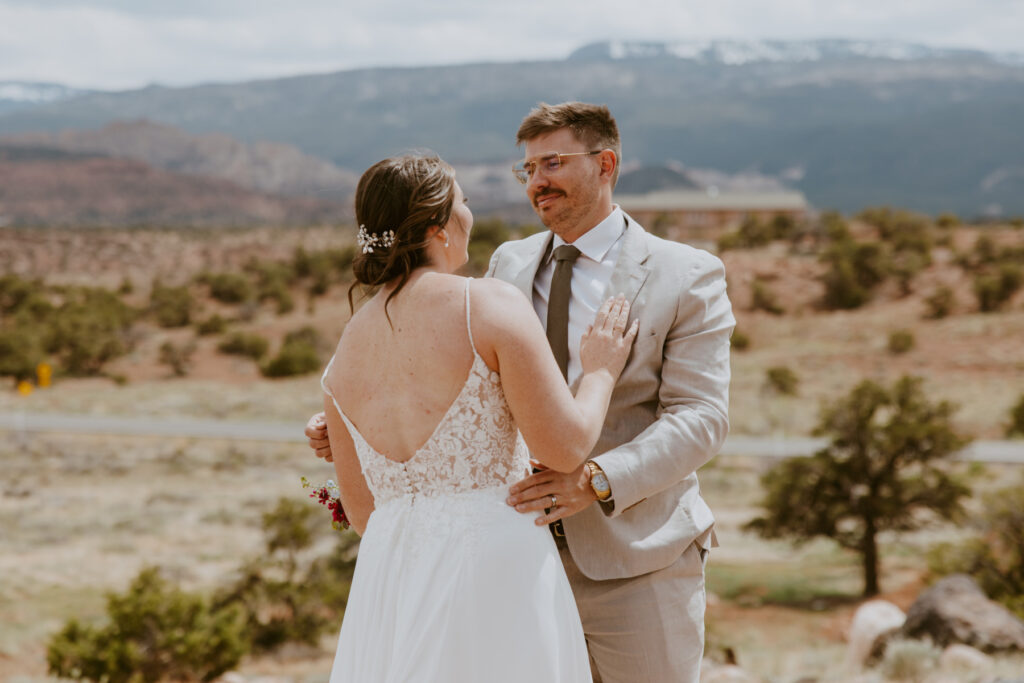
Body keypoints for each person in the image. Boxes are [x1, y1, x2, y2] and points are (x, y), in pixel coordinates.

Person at [308, 102, 735, 682]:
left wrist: (598, 480)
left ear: (605, 163)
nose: (536, 182)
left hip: (634, 562)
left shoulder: (685, 273)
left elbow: (701, 416)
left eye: (552, 163)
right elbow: (456, 371)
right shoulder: (505, 268)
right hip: (505, 568)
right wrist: (366, 421)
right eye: (527, 169)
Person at [317, 152, 638, 682]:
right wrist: (600, 371)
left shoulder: (345, 349)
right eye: (463, 201)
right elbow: (565, 448)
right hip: (492, 566)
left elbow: (362, 513)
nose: (470, 213)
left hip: (392, 578)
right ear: (439, 227)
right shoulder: (488, 305)